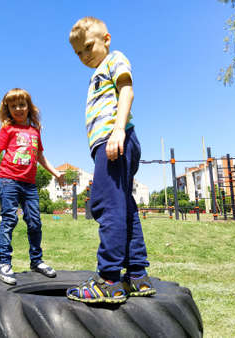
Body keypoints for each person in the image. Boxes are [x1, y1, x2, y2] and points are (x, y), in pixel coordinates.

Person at [66, 17, 156, 303]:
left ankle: (107, 278)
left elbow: (127, 89)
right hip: (113, 142)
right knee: (124, 205)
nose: (84, 55)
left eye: (88, 46)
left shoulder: (114, 59)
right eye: (78, 53)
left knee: (106, 205)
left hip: (115, 140)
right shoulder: (97, 73)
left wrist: (117, 130)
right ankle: (137, 276)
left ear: (106, 39)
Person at [0, 88, 63, 285]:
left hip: (29, 184)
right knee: (9, 219)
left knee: (35, 221)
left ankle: (36, 261)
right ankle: (4, 263)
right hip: (8, 179)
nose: (18, 108)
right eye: (13, 105)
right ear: (8, 108)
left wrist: (56, 173)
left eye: (22, 105)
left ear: (29, 107)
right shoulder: (7, 129)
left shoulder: (34, 131)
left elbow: (40, 156)